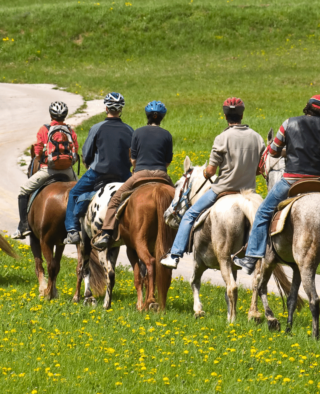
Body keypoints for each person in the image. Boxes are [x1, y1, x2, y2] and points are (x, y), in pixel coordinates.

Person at [233, 95, 320, 274]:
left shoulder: (288, 123)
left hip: (292, 181)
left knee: (263, 212)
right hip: (318, 184)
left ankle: (251, 259)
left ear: (307, 107)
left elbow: (274, 152)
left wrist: (289, 151)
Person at [160, 97, 265, 269]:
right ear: (242, 114)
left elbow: (210, 172)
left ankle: (175, 255)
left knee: (190, 215)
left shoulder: (222, 138)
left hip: (223, 190)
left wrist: (203, 172)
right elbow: (261, 169)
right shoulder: (257, 138)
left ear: (225, 116)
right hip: (249, 193)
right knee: (264, 217)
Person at [93, 100, 174, 249]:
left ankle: (105, 233)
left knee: (116, 199)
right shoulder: (167, 135)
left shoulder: (137, 132)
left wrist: (136, 169)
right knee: (178, 202)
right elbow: (168, 161)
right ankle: (185, 237)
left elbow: (134, 160)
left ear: (147, 116)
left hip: (140, 174)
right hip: (162, 175)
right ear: (161, 117)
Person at [62, 92, 134, 244]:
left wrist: (88, 163)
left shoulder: (97, 128)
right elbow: (133, 155)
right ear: (120, 110)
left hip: (99, 172)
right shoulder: (129, 130)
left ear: (106, 108)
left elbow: (87, 153)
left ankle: (72, 230)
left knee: (74, 193)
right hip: (123, 174)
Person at [10, 101, 80, 239]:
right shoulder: (70, 131)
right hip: (68, 171)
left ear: (50, 115)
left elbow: (37, 151)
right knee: (82, 193)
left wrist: (42, 157)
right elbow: (76, 150)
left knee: (23, 190)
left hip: (48, 170)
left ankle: (23, 226)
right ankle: (80, 226)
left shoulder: (44, 130)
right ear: (65, 116)